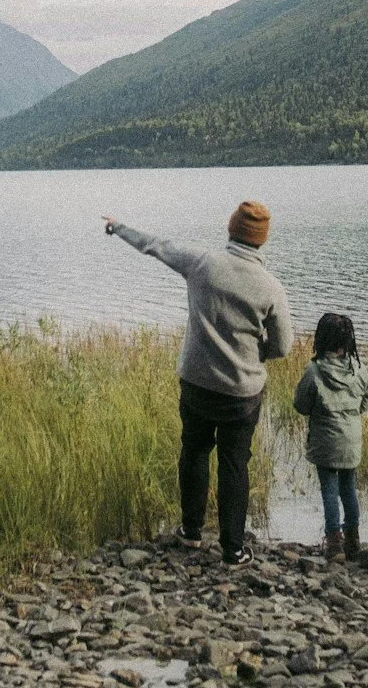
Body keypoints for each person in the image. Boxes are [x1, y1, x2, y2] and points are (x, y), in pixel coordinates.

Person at [105, 202, 296, 565]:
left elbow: (156, 245)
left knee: (194, 452)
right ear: (262, 239)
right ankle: (233, 549)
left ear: (231, 229)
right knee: (234, 464)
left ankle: (191, 532)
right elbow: (283, 346)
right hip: (242, 392)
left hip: (196, 383)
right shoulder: (271, 287)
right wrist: (255, 354)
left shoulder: (202, 262)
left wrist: (118, 227)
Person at [292, 311, 368, 561]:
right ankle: (353, 539)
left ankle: (334, 543)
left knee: (329, 490)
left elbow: (301, 405)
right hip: (351, 439)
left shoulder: (314, 370)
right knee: (349, 489)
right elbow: (365, 402)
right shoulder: (358, 368)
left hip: (325, 441)